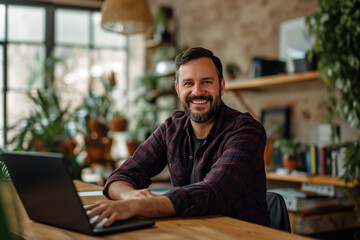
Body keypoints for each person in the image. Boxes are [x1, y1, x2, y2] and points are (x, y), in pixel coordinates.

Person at [86, 47, 270, 227]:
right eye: (188, 83)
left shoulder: (247, 131)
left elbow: (213, 192)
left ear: (221, 86)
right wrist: (130, 197)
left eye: (206, 82)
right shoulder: (172, 128)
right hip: (193, 232)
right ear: (177, 89)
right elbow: (122, 175)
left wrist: (139, 206)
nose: (197, 91)